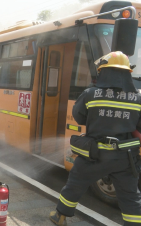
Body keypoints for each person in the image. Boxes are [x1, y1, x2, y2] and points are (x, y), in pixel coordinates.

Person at [49, 51, 141, 226]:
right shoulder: (138, 98)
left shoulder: (90, 94)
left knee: (75, 184)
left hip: (93, 154)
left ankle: (59, 216)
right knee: (131, 196)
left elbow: (80, 117)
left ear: (103, 72)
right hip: (125, 158)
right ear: (127, 74)